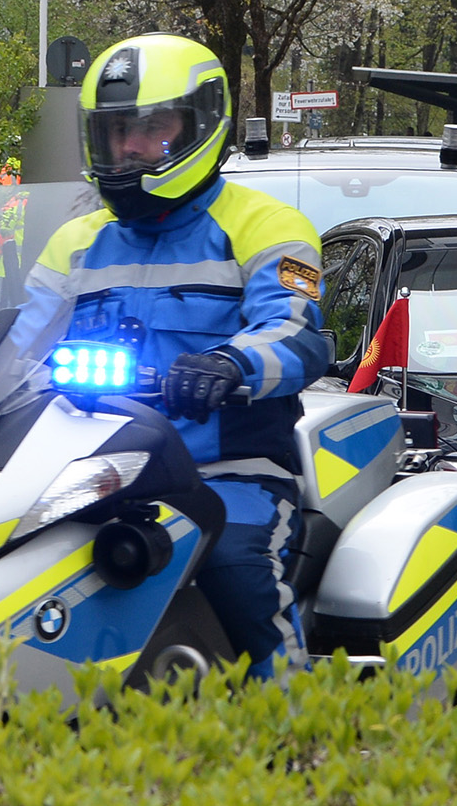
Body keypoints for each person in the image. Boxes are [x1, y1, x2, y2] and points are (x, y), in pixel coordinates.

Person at [25, 33, 330, 680]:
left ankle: (294, 717)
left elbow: (298, 332)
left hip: (226, 474)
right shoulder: (73, 242)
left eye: (151, 128)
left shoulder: (268, 226)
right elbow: (16, 348)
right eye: (116, 131)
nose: (130, 147)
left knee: (236, 565)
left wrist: (230, 364)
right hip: (89, 476)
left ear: (201, 124)